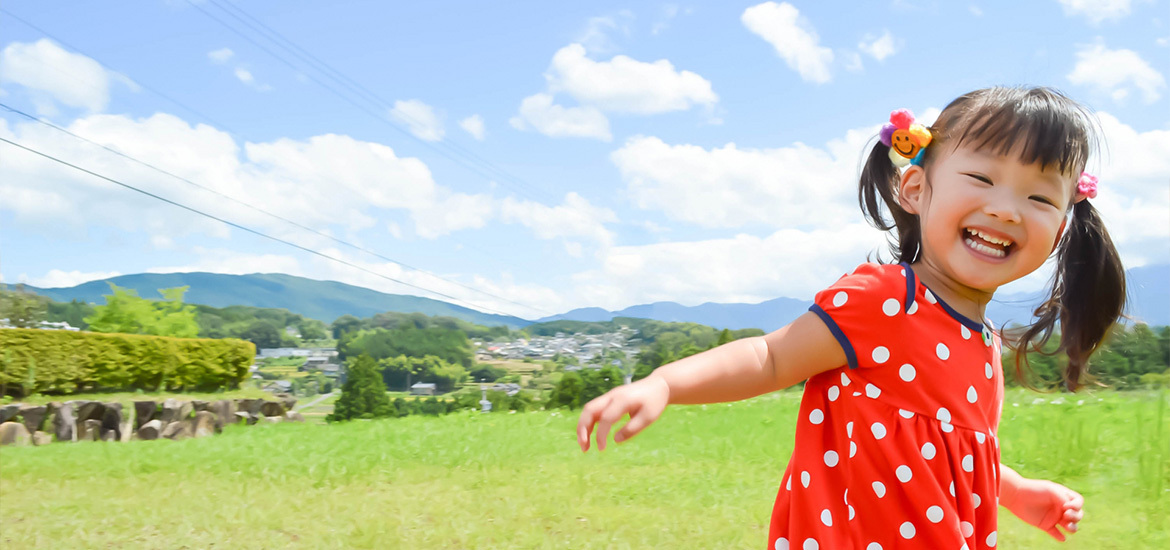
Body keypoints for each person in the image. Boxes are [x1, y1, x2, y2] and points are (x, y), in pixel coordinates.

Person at [575, 86, 1125, 549]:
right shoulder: (887, 301)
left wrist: (1017, 489)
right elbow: (769, 358)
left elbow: (951, 451)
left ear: (1059, 231)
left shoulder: (983, 346)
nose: (1006, 208)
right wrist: (664, 383)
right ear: (914, 188)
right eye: (982, 178)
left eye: (1038, 196)